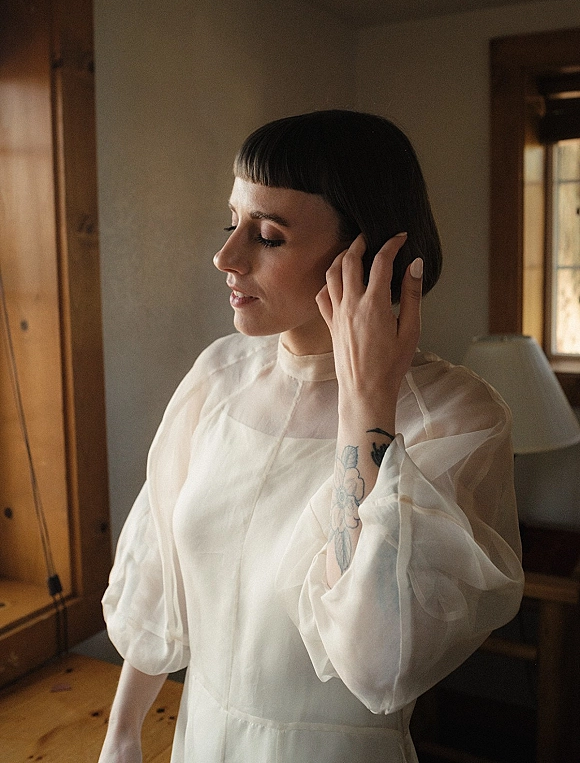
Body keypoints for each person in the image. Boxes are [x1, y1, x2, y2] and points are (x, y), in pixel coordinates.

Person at [98, 109, 524, 763]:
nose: (226, 256)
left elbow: (376, 659)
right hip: (198, 739)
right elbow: (160, 572)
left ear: (368, 253)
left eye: (267, 236)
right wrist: (122, 734)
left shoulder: (456, 417)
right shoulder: (218, 376)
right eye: (230, 223)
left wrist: (367, 401)